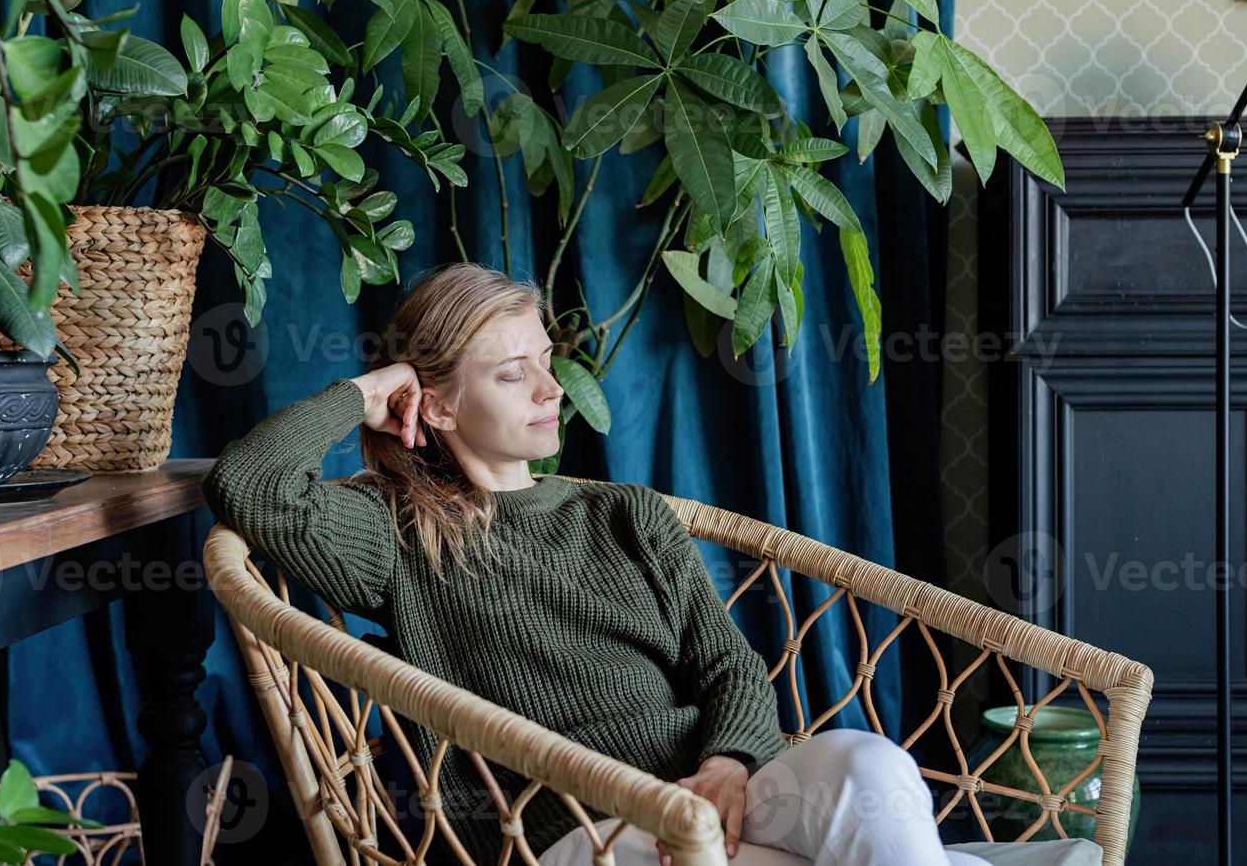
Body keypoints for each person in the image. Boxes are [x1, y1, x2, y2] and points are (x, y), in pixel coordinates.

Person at [203, 262, 990, 866]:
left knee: (871, 766)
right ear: (437, 407)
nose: (550, 390)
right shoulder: (396, 534)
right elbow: (247, 483)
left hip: (714, 783)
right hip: (580, 827)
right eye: (512, 374)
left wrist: (727, 763)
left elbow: (726, 667)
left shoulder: (624, 513)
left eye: (544, 360)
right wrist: (370, 389)